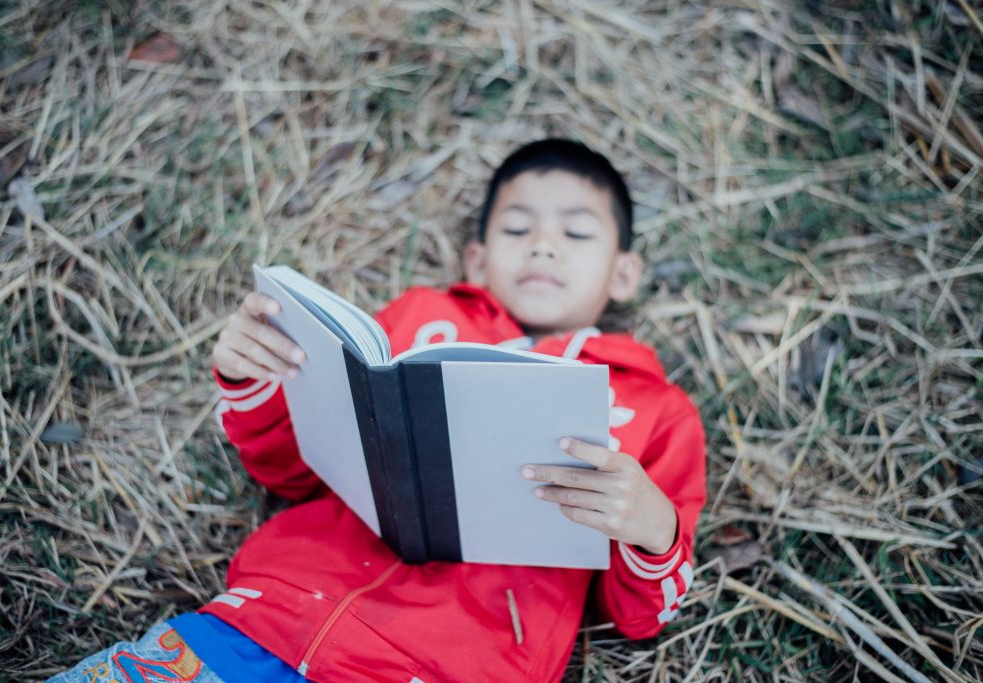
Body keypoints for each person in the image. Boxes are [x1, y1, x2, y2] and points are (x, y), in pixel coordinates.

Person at [48, 139, 706, 683]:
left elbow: (639, 615)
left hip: (446, 666)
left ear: (623, 274)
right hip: (258, 626)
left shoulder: (655, 407)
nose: (542, 245)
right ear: (476, 257)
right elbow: (293, 470)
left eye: (576, 231)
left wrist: (651, 526)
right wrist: (252, 374)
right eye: (516, 227)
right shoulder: (418, 320)